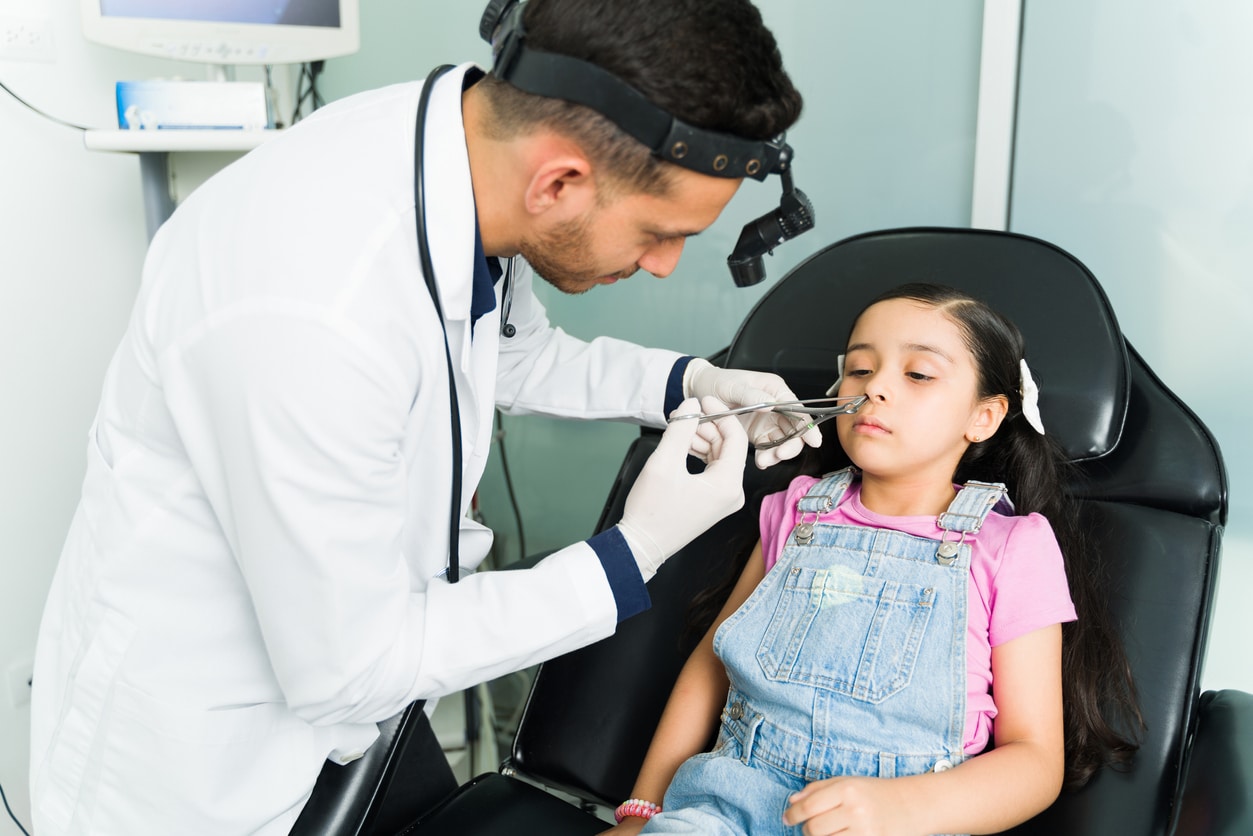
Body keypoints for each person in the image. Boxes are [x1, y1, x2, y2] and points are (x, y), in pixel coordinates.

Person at [28, 1, 821, 833]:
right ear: (558, 181)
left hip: (355, 713)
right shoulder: (307, 311)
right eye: (660, 234)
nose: (665, 268)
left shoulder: (461, 156)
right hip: (206, 766)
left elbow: (510, 352)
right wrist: (634, 552)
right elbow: (351, 666)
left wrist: (691, 381)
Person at [603, 284, 1143, 836]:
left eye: (919, 374)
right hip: (721, 813)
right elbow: (711, 665)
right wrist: (643, 812)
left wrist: (905, 808)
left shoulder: (1012, 546)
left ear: (983, 416)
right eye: (860, 369)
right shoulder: (795, 512)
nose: (875, 387)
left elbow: (1034, 761)